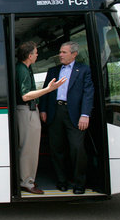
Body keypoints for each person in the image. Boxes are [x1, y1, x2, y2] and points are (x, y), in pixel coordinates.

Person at [40, 41, 94, 194]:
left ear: (74, 54)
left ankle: (79, 183)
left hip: (75, 114)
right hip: (55, 112)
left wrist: (85, 115)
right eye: (60, 52)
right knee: (56, 148)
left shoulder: (83, 70)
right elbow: (46, 91)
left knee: (77, 149)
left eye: (64, 52)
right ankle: (61, 181)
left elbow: (88, 93)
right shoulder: (53, 71)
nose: (60, 55)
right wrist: (43, 109)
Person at [15, 41, 67, 194]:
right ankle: (27, 182)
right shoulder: (22, 70)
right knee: (28, 149)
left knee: (26, 148)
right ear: (30, 56)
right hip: (26, 111)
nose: (38, 54)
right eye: (36, 52)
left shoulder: (24, 68)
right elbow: (25, 96)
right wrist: (48, 90)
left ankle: (26, 179)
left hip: (27, 111)